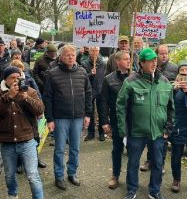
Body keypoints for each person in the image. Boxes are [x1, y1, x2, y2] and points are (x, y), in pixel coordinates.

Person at [117, 48, 174, 199]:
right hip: (136, 132)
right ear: (141, 63)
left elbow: (171, 108)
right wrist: (123, 130)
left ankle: (155, 191)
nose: (154, 63)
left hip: (158, 133)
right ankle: (131, 190)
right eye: (150, 60)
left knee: (157, 163)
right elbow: (120, 106)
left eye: (155, 60)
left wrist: (168, 128)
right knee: (133, 162)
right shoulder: (131, 81)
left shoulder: (164, 82)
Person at [0, 67, 46, 199]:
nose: (16, 80)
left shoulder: (29, 91)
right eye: (12, 77)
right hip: (7, 142)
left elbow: (40, 109)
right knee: (9, 174)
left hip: (27, 140)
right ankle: (12, 195)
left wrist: (25, 97)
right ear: (5, 80)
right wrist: (9, 96)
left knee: (32, 175)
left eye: (18, 77)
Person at [43, 45, 92, 190]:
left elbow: (88, 94)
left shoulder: (82, 72)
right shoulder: (53, 74)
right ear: (60, 57)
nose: (71, 57)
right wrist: (50, 119)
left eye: (73, 54)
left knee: (75, 148)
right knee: (59, 149)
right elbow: (47, 98)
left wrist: (87, 114)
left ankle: (72, 173)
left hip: (77, 117)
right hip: (60, 118)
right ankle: (59, 176)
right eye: (67, 55)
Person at [140, 44, 178, 172]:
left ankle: (160, 164)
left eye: (166, 53)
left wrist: (174, 87)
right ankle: (149, 161)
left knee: (162, 141)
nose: (164, 55)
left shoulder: (174, 68)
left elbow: (178, 83)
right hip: (150, 107)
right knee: (150, 140)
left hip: (164, 106)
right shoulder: (151, 67)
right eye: (161, 53)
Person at [99, 50, 130, 189]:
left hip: (134, 120)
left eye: (129, 59)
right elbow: (103, 101)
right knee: (117, 149)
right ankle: (115, 175)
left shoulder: (135, 77)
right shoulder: (109, 79)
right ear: (118, 62)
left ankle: (132, 178)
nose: (129, 61)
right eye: (125, 59)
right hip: (117, 119)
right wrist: (104, 122)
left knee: (133, 150)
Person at [168, 61, 187, 193]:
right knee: (176, 156)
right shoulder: (172, 87)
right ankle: (176, 179)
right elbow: (166, 104)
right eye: (182, 70)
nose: (185, 71)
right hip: (178, 126)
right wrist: (173, 90)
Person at [81, 46, 107, 141]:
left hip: (100, 90)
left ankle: (101, 132)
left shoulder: (103, 63)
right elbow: (82, 78)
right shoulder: (84, 63)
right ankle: (91, 132)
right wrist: (90, 74)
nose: (94, 52)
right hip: (89, 90)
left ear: (99, 51)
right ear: (89, 52)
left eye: (96, 50)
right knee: (90, 111)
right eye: (92, 50)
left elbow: (106, 76)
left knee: (102, 111)